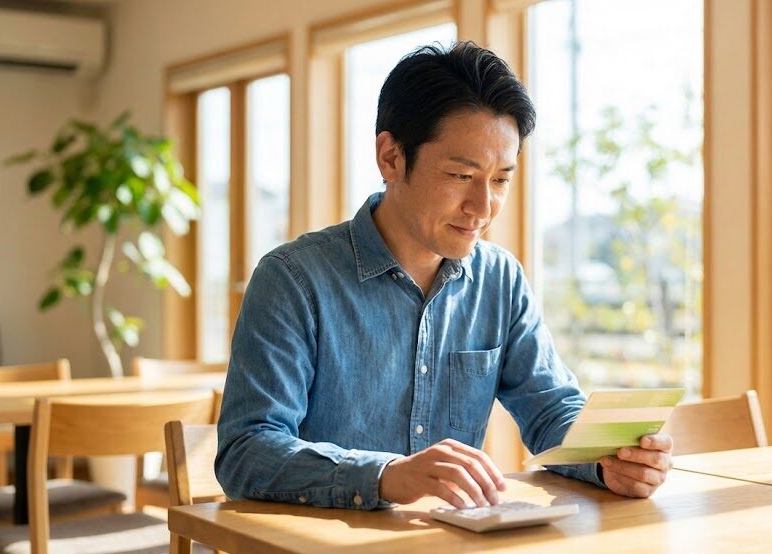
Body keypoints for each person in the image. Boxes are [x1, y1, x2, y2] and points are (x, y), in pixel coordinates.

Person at [215, 41, 674, 511]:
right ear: (391, 157)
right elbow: (246, 451)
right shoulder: (293, 280)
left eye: (500, 180)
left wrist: (609, 459)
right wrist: (386, 476)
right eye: (460, 175)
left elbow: (550, 407)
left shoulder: (500, 280)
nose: (483, 208)